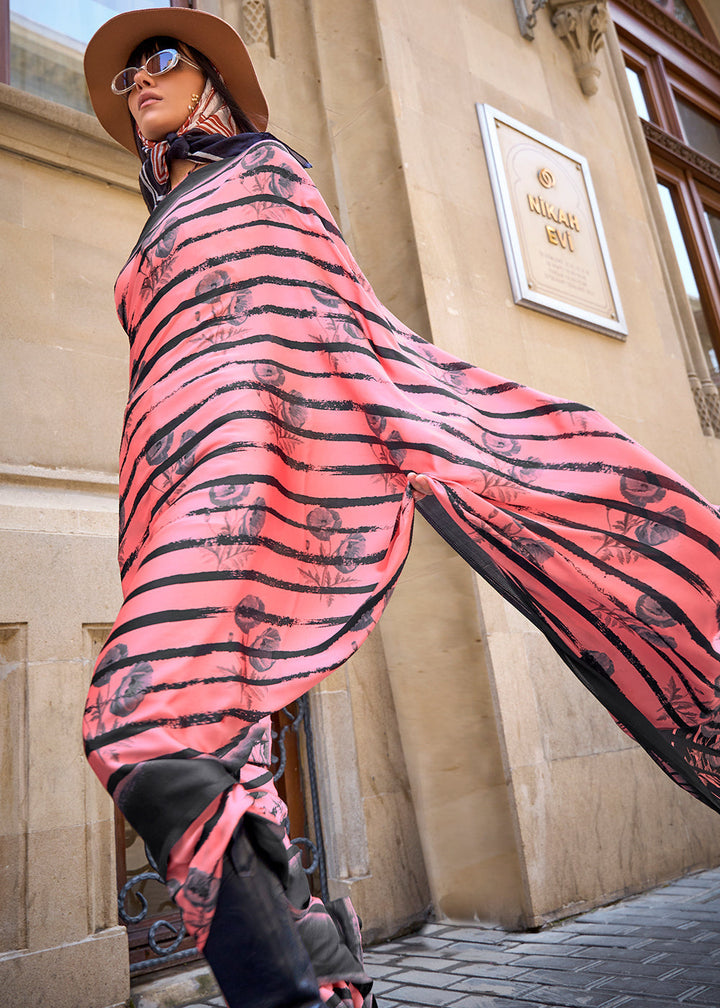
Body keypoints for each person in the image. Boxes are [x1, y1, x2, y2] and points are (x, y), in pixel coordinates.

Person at [83, 7, 720, 1008]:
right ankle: (328, 981)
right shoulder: (160, 214)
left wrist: (387, 444)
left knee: (149, 715)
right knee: (226, 745)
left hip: (246, 479)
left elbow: (331, 335)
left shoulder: (269, 176)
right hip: (161, 484)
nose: (137, 83)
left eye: (157, 59)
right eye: (124, 80)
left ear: (211, 78)